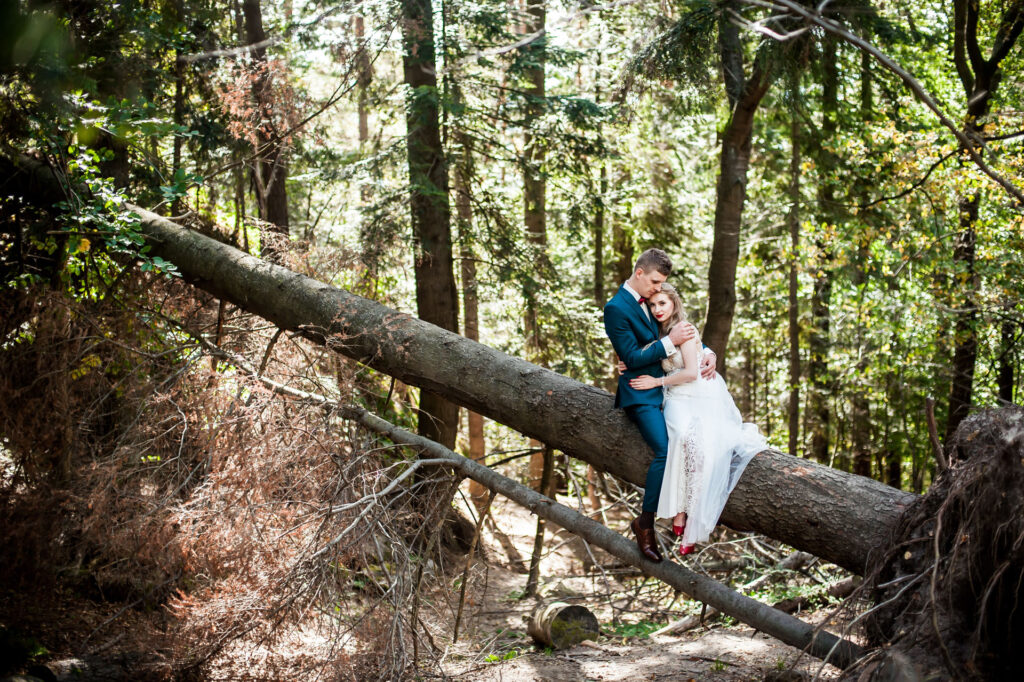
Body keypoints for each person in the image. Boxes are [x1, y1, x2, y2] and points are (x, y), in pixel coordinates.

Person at [627, 283, 766, 557]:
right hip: (676, 396)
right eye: (653, 305)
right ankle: (678, 511)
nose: (657, 309)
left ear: (674, 304)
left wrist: (657, 380)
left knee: (702, 447)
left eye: (662, 303)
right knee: (679, 437)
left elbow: (692, 372)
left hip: (701, 392)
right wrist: (628, 362)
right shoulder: (653, 333)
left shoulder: (685, 329)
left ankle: (689, 518)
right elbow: (643, 355)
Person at [603, 249, 716, 562]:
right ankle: (645, 522)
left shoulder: (652, 301)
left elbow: (676, 330)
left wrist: (709, 353)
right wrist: (668, 343)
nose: (657, 289)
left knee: (699, 439)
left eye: (661, 284)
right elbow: (632, 356)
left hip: (672, 390)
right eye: (654, 282)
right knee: (666, 450)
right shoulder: (616, 308)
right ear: (639, 272)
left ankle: (685, 514)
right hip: (642, 392)